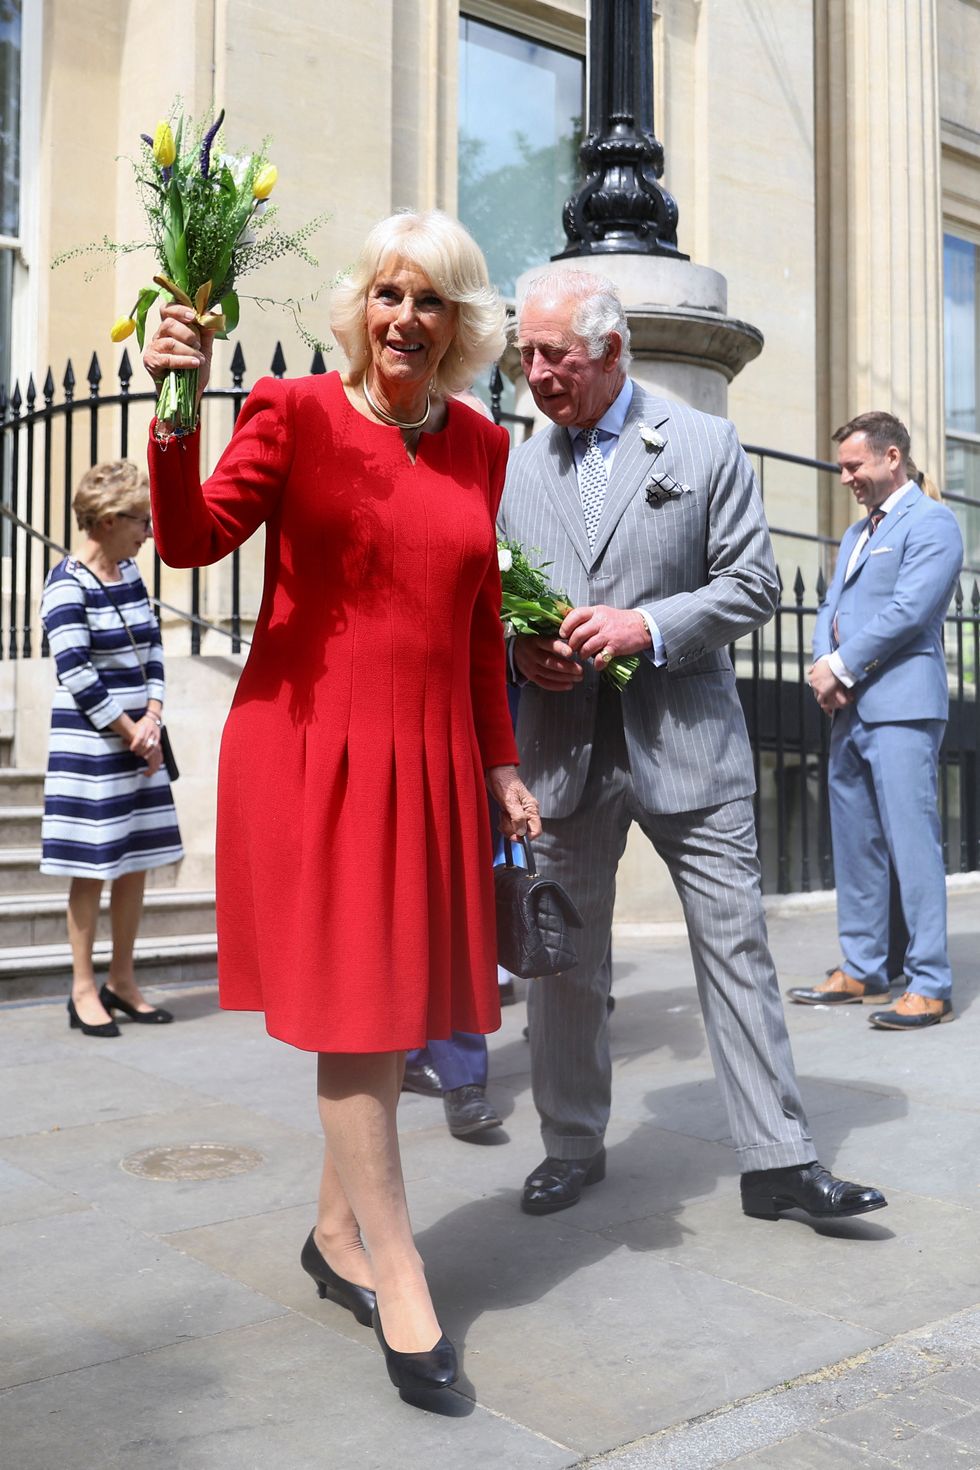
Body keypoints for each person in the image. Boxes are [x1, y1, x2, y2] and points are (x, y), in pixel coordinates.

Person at [142, 210, 540, 1398]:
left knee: (396, 1005)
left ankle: (331, 1236)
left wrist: (500, 760)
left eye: (429, 301)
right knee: (362, 1018)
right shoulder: (297, 414)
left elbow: (476, 621)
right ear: (357, 308)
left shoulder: (478, 442)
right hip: (315, 752)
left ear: (461, 324)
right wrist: (175, 410)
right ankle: (399, 1274)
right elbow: (188, 539)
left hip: (427, 758)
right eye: (386, 295)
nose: (404, 319)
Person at [498, 268, 886, 1223]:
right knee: (565, 965)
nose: (536, 373)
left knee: (737, 950)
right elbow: (486, 592)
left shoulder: (705, 443)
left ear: (613, 353)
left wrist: (649, 626)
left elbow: (753, 584)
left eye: (556, 356)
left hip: (691, 746)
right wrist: (521, 649)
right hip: (562, 753)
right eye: (528, 354)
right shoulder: (511, 464)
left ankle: (779, 1160)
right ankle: (570, 1144)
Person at [791, 412, 963, 1028]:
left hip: (901, 707)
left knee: (911, 845)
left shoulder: (935, 523)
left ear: (893, 458)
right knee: (856, 845)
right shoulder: (856, 533)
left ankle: (931, 983)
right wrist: (820, 665)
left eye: (854, 465)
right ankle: (863, 969)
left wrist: (840, 664)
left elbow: (910, 610)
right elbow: (830, 604)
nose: (846, 478)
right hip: (850, 709)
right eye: (843, 467)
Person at [39, 461, 182, 1037]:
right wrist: (131, 730)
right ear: (106, 519)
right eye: (142, 521)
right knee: (91, 869)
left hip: (139, 743)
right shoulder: (65, 583)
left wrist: (153, 714)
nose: (149, 533)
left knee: (136, 865)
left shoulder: (129, 577)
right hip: (93, 753)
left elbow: (153, 650)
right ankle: (81, 989)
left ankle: (122, 981)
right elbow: (75, 670)